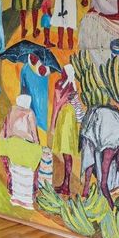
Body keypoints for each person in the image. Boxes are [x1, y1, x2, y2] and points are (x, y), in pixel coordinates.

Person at [49, 64, 85, 195]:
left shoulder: (59, 84)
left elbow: (56, 105)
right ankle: (66, 184)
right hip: (72, 118)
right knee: (67, 152)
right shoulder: (73, 85)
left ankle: (66, 185)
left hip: (64, 118)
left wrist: (52, 125)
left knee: (66, 152)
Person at [19, 52, 50, 133]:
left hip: (38, 102)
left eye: (35, 57)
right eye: (32, 56)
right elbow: (23, 87)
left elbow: (23, 88)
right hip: (36, 102)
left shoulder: (27, 68)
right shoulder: (26, 68)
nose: (33, 59)